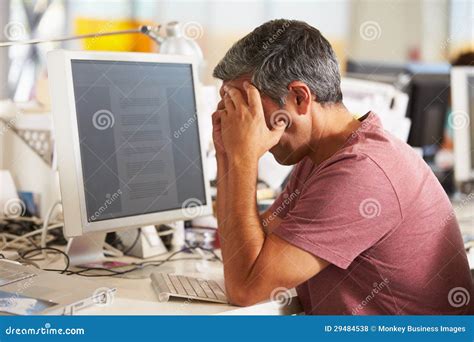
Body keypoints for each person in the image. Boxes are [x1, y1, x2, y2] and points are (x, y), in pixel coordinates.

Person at [211, 19, 472, 315]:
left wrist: (241, 157)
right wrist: (225, 153)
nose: (240, 122)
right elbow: (249, 246)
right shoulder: (322, 155)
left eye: (247, 108)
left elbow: (247, 288)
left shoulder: (361, 170)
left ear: (299, 98)